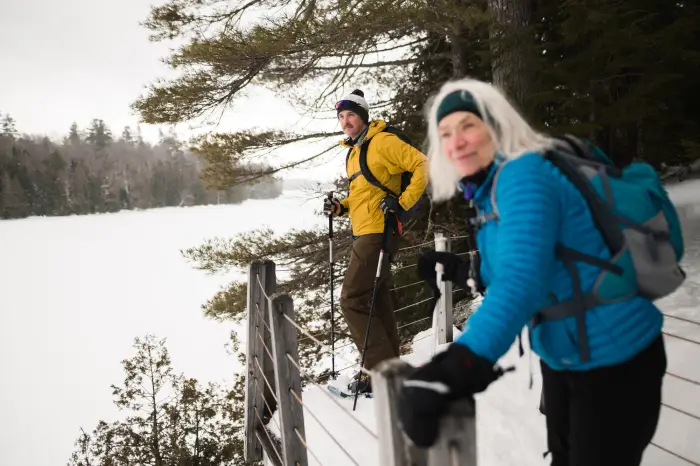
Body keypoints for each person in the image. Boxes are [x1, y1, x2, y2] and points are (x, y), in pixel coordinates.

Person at [398, 78, 681, 466]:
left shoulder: (522, 175)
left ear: (495, 126)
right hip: (567, 361)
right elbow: (537, 262)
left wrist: (456, 368)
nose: (456, 141)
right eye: (445, 132)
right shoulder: (488, 190)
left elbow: (522, 283)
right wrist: (465, 270)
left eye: (468, 125)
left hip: (615, 360)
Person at [324, 89, 428, 394]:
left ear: (363, 116)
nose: (346, 121)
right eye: (341, 117)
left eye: (351, 115)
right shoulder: (355, 151)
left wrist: (402, 203)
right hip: (367, 229)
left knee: (352, 299)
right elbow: (365, 194)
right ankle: (392, 369)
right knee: (375, 299)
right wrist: (340, 207)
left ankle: (380, 372)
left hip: (377, 233)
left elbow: (422, 164)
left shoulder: (382, 142)